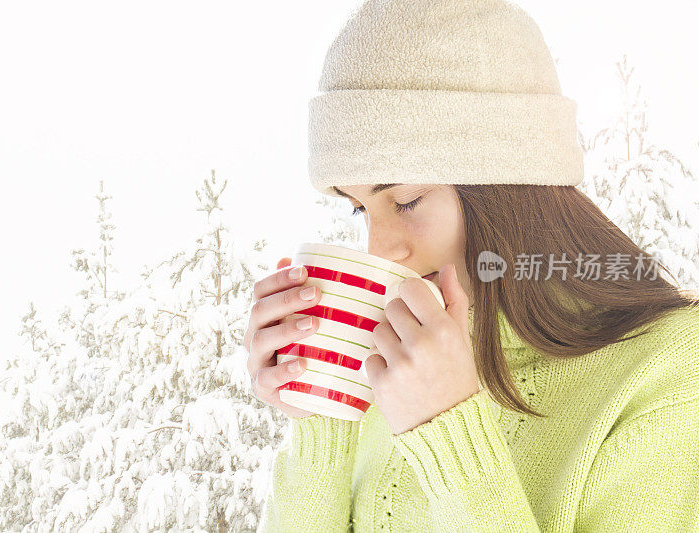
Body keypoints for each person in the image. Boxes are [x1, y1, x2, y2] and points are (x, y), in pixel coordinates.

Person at [244, 0, 699, 531]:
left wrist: (452, 436)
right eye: (358, 208)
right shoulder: (390, 371)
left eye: (407, 200)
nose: (378, 248)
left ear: (508, 189)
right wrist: (326, 410)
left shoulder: (668, 373)